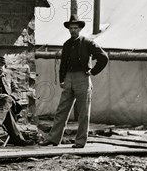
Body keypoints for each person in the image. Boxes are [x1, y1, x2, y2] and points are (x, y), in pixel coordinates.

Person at [41, 14, 109, 148]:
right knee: (62, 110)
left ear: (80, 29)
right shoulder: (67, 44)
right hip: (69, 78)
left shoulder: (87, 43)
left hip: (82, 78)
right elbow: (63, 63)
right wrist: (62, 79)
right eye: (71, 28)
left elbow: (103, 57)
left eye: (75, 28)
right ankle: (53, 139)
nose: (73, 30)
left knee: (83, 112)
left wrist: (93, 71)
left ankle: (80, 141)